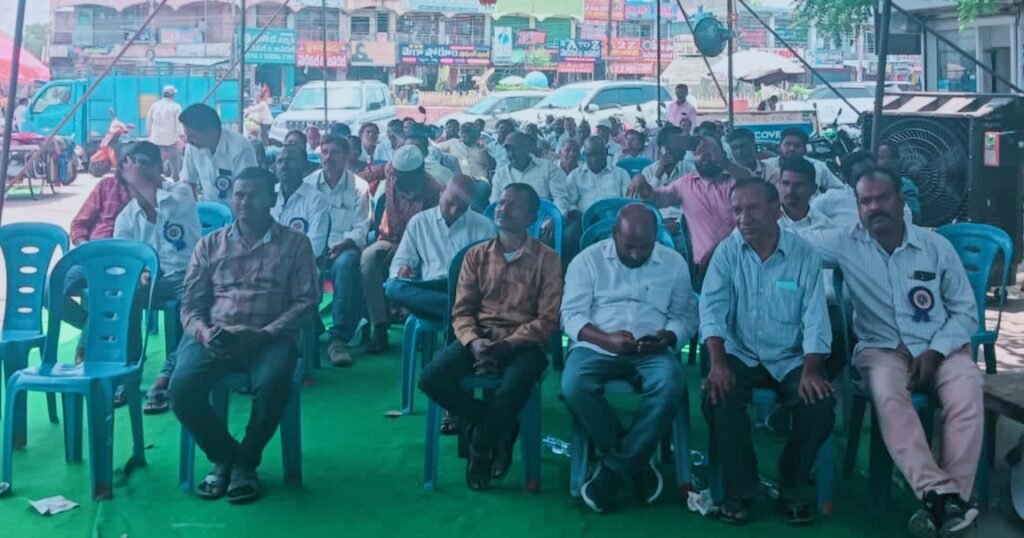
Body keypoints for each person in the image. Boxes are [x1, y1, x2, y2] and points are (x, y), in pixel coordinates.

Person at [803, 167, 982, 537]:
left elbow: (966, 312)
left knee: (967, 391)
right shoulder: (844, 242)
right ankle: (940, 495)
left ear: (901, 201)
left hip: (940, 346)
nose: (873, 208)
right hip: (881, 349)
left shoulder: (935, 246)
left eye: (881, 198)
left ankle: (948, 502)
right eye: (865, 201)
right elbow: (790, 240)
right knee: (887, 395)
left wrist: (935, 352)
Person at [170, 166, 319, 505]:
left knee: (274, 382)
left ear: (271, 199)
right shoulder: (210, 245)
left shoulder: (296, 244)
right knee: (181, 389)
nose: (244, 202)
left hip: (269, 337)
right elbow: (190, 305)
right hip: (217, 334)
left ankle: (246, 461)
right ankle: (227, 457)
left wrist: (266, 334)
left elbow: (306, 302)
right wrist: (204, 333)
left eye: (253, 196)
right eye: (238, 195)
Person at [700, 178, 835, 525]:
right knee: (717, 395)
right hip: (740, 352)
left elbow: (815, 319)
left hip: (789, 356)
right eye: (737, 210)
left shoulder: (804, 254)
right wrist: (718, 363)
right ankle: (742, 488)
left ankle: (792, 481)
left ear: (776, 210)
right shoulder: (727, 252)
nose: (743, 218)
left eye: (753, 209)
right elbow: (712, 311)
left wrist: (812, 369)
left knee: (819, 404)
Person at [418, 183, 563, 491]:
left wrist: (506, 345)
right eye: (502, 202)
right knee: (431, 379)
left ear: (531, 218)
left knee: (513, 386)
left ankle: (481, 444)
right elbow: (462, 312)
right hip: (480, 338)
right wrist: (473, 342)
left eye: (513, 205)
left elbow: (548, 320)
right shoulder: (476, 255)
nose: (502, 208)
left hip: (523, 343)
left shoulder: (547, 260)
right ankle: (501, 427)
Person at [561, 204, 696, 513]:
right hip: (596, 345)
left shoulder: (673, 263)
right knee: (573, 386)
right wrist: (605, 340)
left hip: (651, 348)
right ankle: (636, 463)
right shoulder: (588, 260)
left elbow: (686, 316)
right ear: (614, 235)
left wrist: (668, 337)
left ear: (655, 238)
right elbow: (570, 315)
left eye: (644, 247)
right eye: (628, 246)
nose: (636, 254)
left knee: (671, 384)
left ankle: (614, 469)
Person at [112, 142, 201, 413]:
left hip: (188, 274)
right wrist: (138, 273)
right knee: (123, 298)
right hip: (152, 281)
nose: (138, 171)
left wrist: (137, 178)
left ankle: (168, 374)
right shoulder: (126, 216)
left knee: (197, 312)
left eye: (144, 164)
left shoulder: (181, 193)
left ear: (159, 167)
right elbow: (123, 261)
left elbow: (161, 205)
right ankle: (128, 372)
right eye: (132, 166)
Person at [363, 145, 443, 354]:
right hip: (388, 239)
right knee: (368, 259)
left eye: (404, 177)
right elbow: (365, 176)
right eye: (396, 174)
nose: (398, 180)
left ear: (419, 172)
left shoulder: (434, 190)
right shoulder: (391, 170)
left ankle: (418, 322)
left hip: (420, 245)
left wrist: (402, 248)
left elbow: (431, 230)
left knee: (425, 268)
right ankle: (380, 326)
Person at [384, 174, 495, 322]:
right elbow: (402, 260)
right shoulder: (419, 222)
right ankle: (460, 310)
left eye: (461, 208)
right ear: (441, 191)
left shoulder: (484, 227)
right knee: (393, 286)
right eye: (450, 203)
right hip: (430, 286)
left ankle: (453, 310)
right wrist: (402, 270)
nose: (454, 211)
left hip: (464, 287)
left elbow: (491, 271)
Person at [304, 135, 371, 367]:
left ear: (347, 156)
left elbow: (362, 227)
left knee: (345, 266)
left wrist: (344, 244)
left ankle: (338, 337)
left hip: (344, 247)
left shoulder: (359, 187)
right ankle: (311, 326)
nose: (328, 157)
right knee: (299, 267)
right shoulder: (308, 185)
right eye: (324, 152)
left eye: (335, 152)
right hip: (312, 247)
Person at [630, 135, 736, 272]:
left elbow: (749, 181)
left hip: (738, 259)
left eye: (710, 151)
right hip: (705, 265)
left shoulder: (734, 182)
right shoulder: (686, 183)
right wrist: (640, 181)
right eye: (699, 152)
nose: (704, 157)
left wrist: (723, 162)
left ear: (722, 154)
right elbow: (656, 198)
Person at [563, 137, 632, 264]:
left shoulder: (620, 174)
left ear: (605, 152)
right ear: (584, 155)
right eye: (589, 155)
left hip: (615, 219)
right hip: (582, 219)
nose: (594, 159)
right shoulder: (575, 175)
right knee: (568, 236)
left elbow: (628, 201)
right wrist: (585, 218)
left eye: (598, 154)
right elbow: (569, 204)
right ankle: (574, 269)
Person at [180, 104, 258, 204]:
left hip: (237, 210)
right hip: (210, 209)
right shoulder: (192, 147)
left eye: (193, 136)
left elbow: (248, 190)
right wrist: (193, 210)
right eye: (186, 134)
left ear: (211, 131)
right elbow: (188, 183)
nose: (187, 140)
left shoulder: (241, 148)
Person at [489, 132, 569, 215]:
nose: (511, 154)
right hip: (510, 221)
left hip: (543, 220)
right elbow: (494, 205)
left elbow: (560, 198)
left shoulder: (548, 168)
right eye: (508, 150)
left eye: (515, 149)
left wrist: (555, 218)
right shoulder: (500, 175)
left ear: (527, 148)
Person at [272, 144, 330, 258]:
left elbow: (315, 248)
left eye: (290, 161)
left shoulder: (317, 200)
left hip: (298, 264)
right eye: (279, 161)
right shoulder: (267, 193)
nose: (284, 166)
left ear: (305, 166)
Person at [763, 128, 844, 191]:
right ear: (779, 147)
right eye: (787, 144)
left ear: (805, 149)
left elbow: (839, 189)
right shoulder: (765, 166)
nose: (791, 148)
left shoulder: (818, 167)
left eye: (797, 145)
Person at [777, 157, 834, 233]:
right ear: (778, 185)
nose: (790, 190)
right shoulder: (766, 220)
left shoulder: (826, 227)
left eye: (798, 185)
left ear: (813, 189)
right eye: (785, 183)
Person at [876, 141, 921, 223]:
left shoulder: (906, 185)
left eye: (881, 157)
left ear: (895, 161)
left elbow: (914, 215)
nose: (877, 162)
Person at [145, 85, 183, 181]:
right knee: (174, 161)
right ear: (172, 95)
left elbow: (149, 121)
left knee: (157, 161)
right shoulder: (176, 107)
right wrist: (181, 137)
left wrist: (149, 133)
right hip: (171, 139)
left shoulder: (155, 105)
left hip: (157, 139)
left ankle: (155, 179)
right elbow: (179, 123)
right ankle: (176, 179)